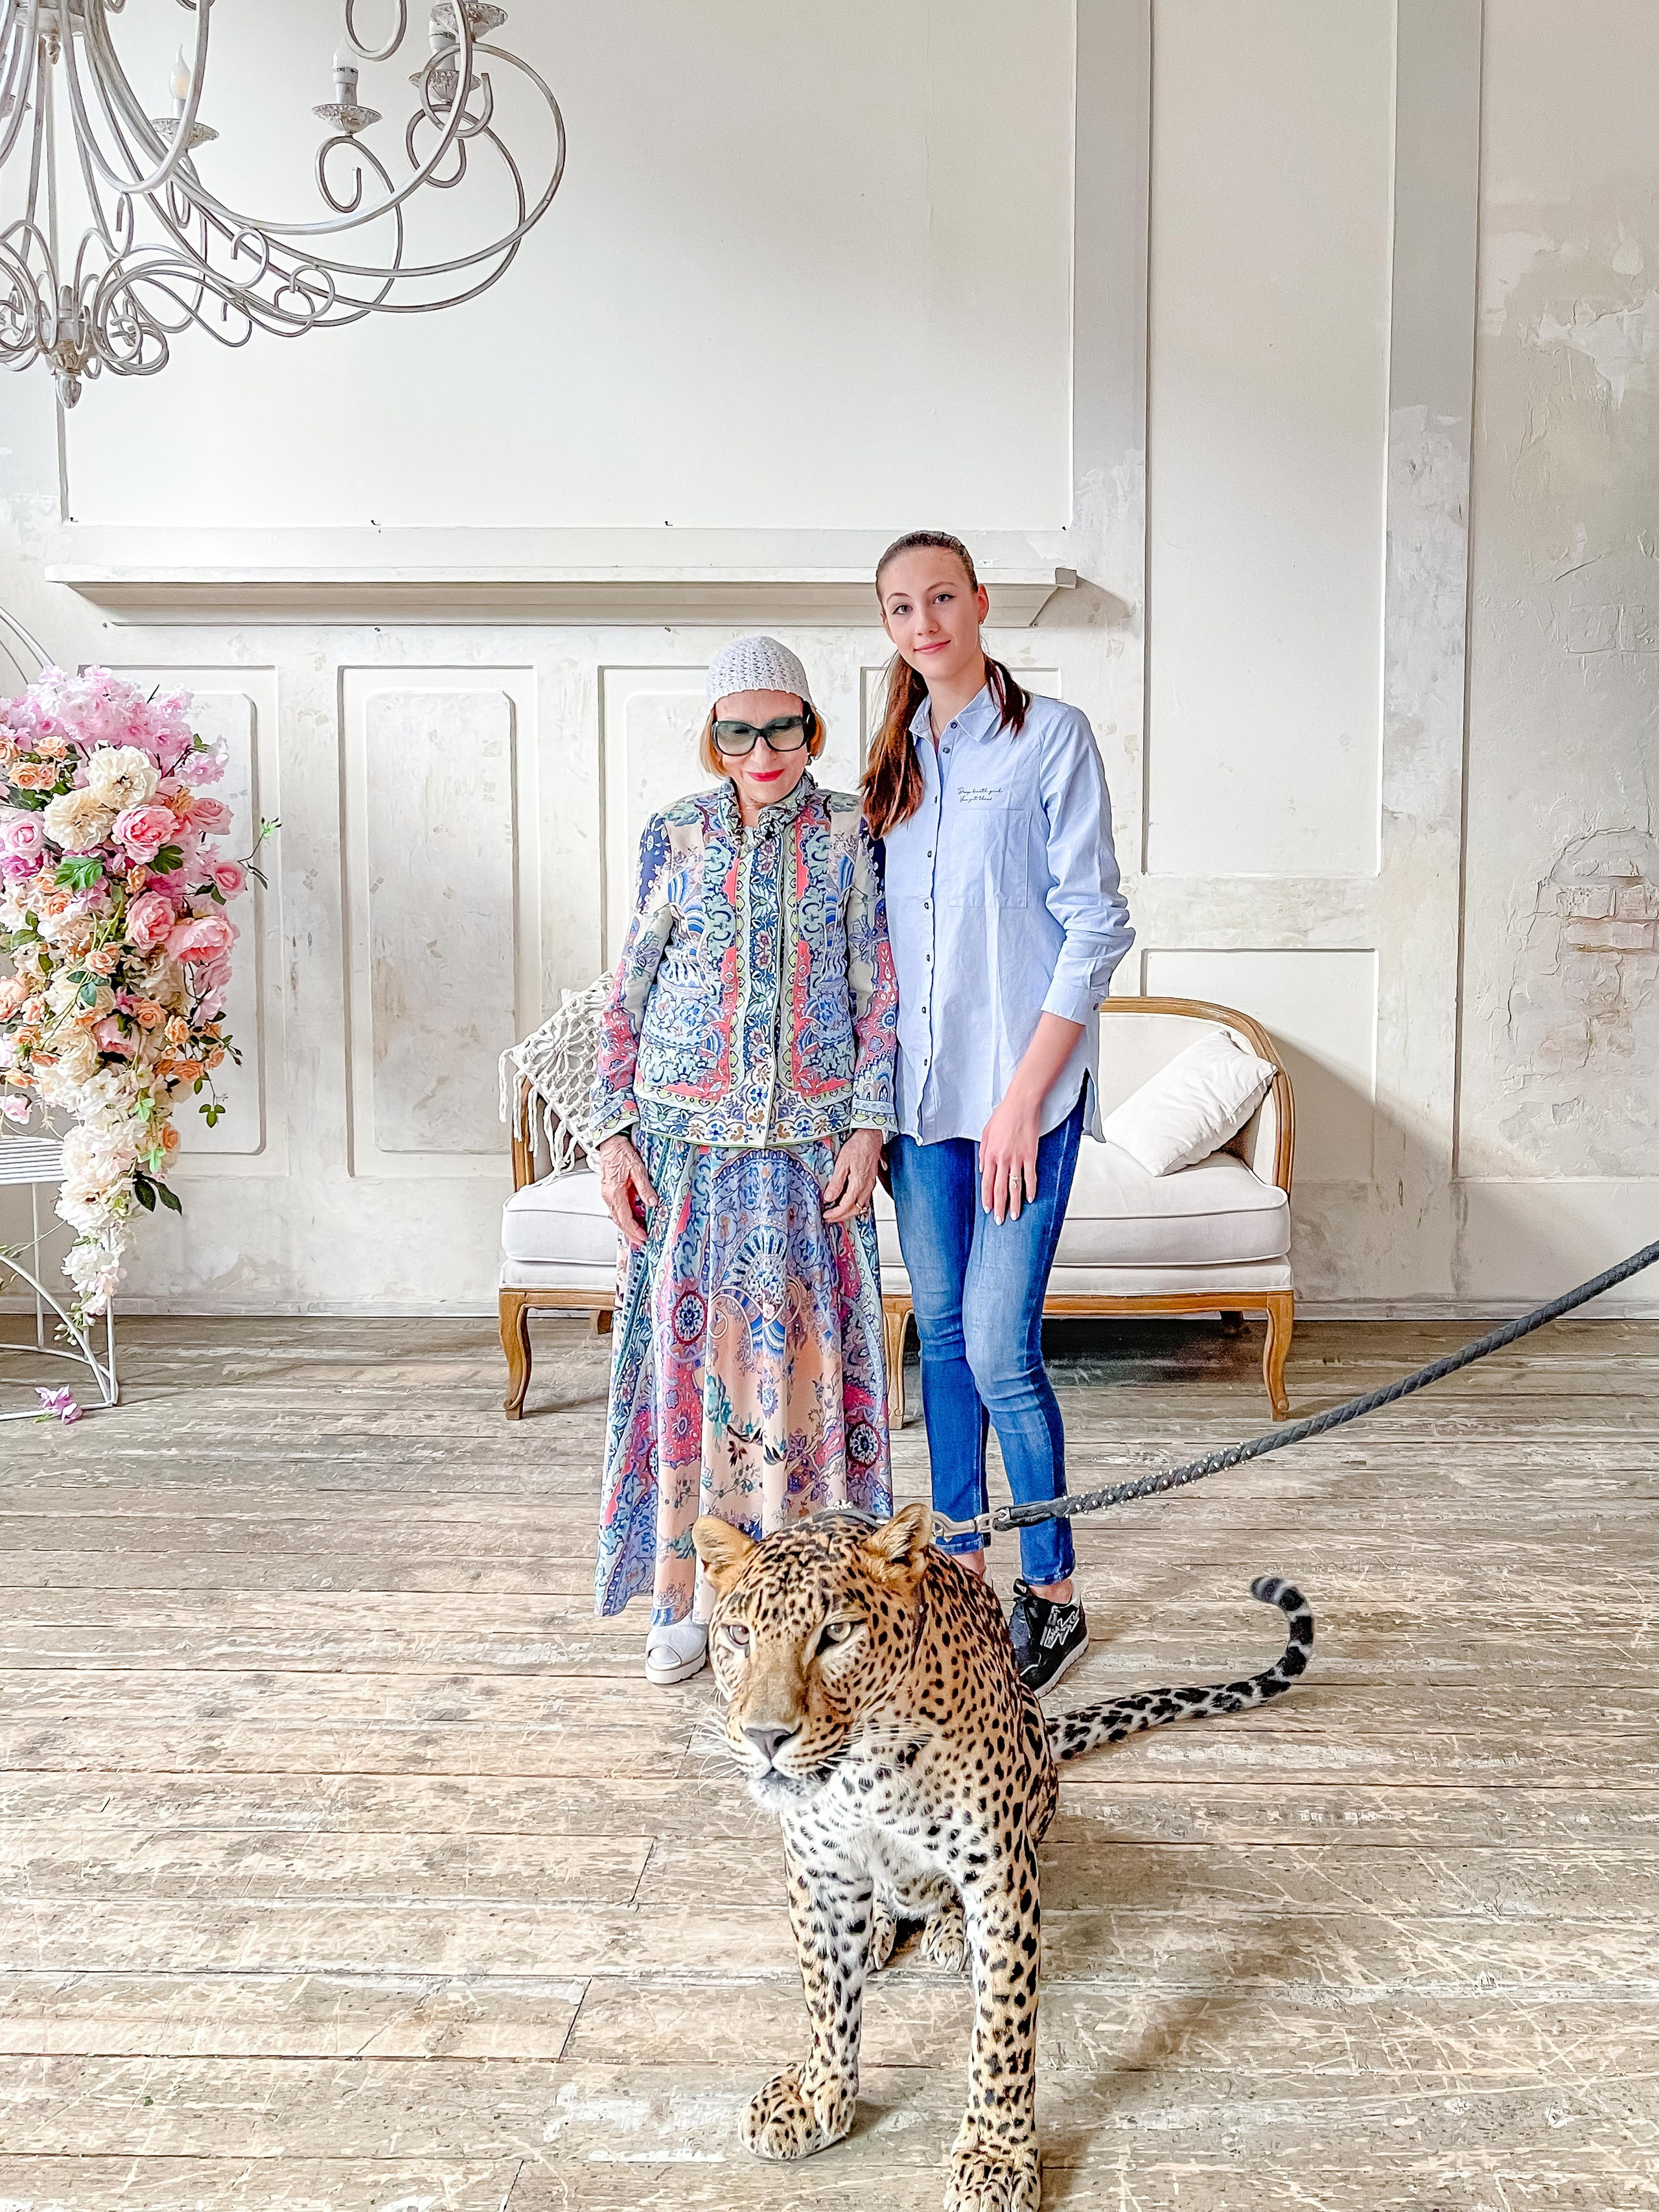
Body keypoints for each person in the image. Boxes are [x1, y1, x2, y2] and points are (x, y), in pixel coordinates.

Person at [589, 636, 898, 1685]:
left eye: (781, 726)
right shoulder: (673, 834)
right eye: (738, 729)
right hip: (687, 1152)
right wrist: (611, 1134)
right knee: (690, 1382)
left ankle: (819, 1599)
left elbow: (877, 995)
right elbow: (626, 990)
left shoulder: (856, 832)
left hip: (808, 1158)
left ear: (811, 729)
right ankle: (683, 1596)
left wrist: (869, 1126)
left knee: (803, 1386)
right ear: (713, 738)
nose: (760, 748)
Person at [865, 531, 1134, 1693]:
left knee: (997, 1347)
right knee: (943, 1343)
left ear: (979, 604)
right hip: (923, 1111)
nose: (923, 621)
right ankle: (964, 1577)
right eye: (899, 607)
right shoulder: (892, 763)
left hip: (1024, 1098)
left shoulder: (1049, 739)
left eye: (940, 598)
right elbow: (879, 955)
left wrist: (1025, 1101)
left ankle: (1054, 1591)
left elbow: (1097, 925)